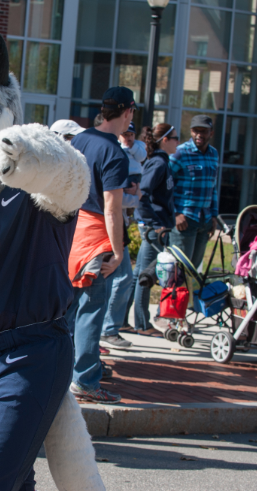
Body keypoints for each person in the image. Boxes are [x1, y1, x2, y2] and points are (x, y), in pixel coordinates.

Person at [66, 86, 134, 404]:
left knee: (67, 311)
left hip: (71, 232)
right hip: (96, 238)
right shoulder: (115, 153)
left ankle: (63, 372)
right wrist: (119, 252)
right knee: (91, 312)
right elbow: (112, 208)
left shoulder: (79, 140)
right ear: (127, 112)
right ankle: (85, 380)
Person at [129, 123, 180, 335]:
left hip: (157, 226)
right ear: (165, 140)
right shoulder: (158, 164)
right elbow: (142, 195)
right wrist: (153, 223)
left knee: (138, 275)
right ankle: (142, 324)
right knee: (145, 276)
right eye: (176, 138)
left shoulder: (162, 162)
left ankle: (122, 320)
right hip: (154, 229)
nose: (179, 141)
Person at [103, 122, 146, 343]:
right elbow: (112, 202)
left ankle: (107, 329)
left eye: (131, 133)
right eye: (124, 133)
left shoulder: (133, 152)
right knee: (121, 278)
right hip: (109, 224)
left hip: (119, 222)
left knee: (118, 278)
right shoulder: (113, 153)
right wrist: (135, 198)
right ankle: (108, 329)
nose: (128, 137)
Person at [169, 115, 220, 272]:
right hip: (184, 219)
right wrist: (174, 213)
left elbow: (213, 187)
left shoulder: (213, 153)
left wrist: (214, 215)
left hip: (204, 220)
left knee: (193, 272)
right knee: (178, 272)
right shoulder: (180, 153)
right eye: (195, 131)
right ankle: (175, 297)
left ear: (211, 133)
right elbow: (163, 184)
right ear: (191, 131)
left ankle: (190, 297)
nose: (199, 135)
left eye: (203, 131)